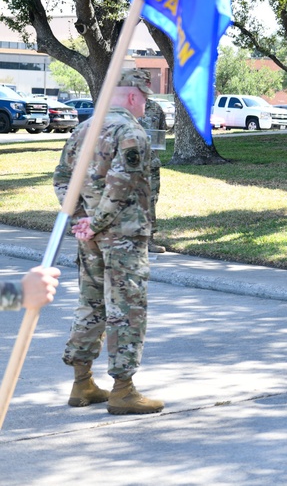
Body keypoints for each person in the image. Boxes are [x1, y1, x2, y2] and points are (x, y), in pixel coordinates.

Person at [53, 69, 164, 415]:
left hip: (90, 237)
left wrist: (80, 222)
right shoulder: (132, 131)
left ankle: (82, 382)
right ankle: (123, 390)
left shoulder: (83, 129)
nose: (146, 105)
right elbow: (122, 183)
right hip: (123, 237)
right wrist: (97, 222)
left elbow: (61, 179)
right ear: (133, 96)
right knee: (126, 310)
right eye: (145, 98)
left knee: (91, 303)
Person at [139, 96, 167, 254]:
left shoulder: (155, 108)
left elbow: (161, 131)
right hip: (129, 165)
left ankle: (149, 240)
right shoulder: (122, 108)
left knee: (151, 200)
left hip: (151, 163)